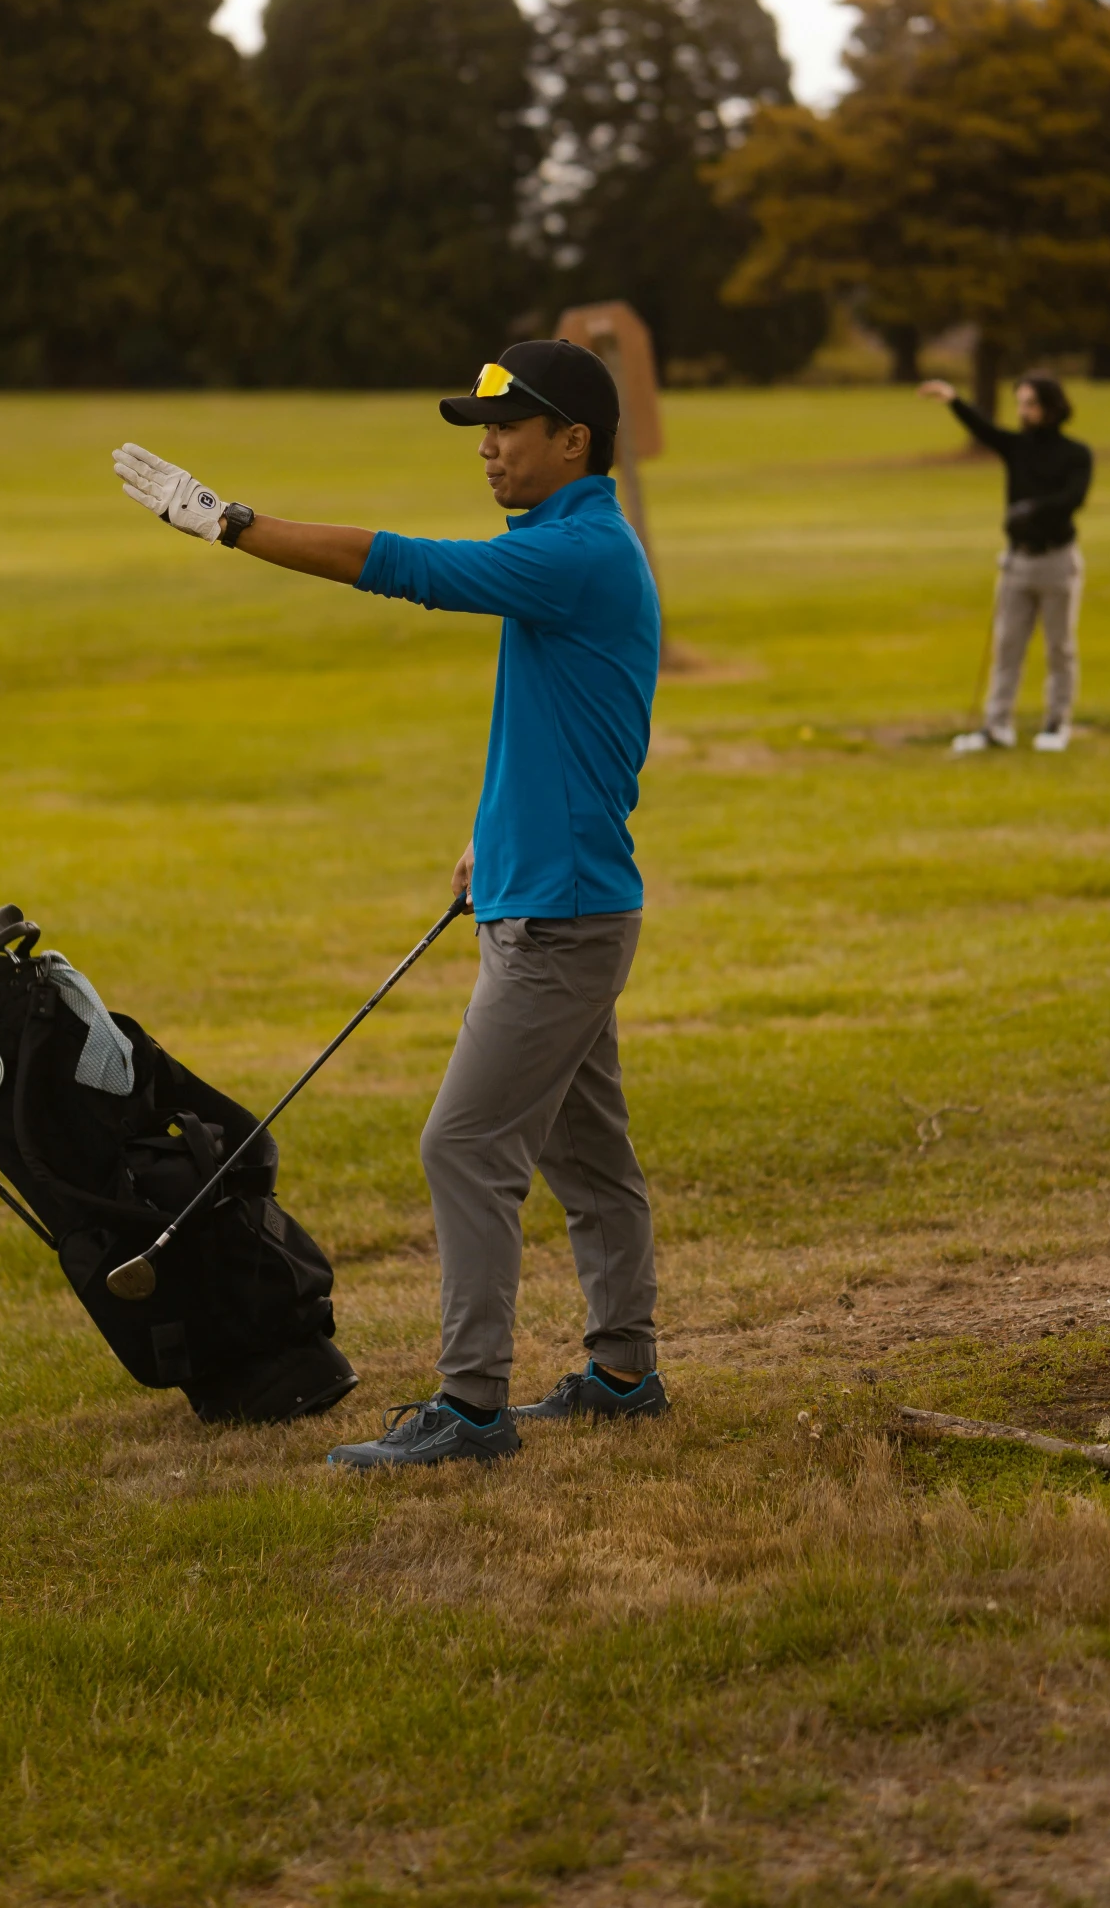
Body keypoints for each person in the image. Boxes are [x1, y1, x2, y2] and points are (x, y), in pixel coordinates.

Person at [111, 340, 668, 1469]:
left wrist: (233, 524)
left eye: (509, 428)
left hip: (558, 922)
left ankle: (470, 1406)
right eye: (480, 428)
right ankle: (622, 1374)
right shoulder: (569, 548)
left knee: (462, 1147)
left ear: (575, 442)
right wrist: (492, 838)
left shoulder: (580, 551)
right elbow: (550, 733)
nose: (488, 447)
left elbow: (403, 565)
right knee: (592, 1164)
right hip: (554, 895)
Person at [919, 372, 1093, 754]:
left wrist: (1033, 510)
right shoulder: (1017, 448)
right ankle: (997, 725)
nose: (1024, 411)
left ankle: (1056, 723)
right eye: (1020, 403)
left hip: (1057, 560)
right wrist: (953, 399)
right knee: (1007, 645)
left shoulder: (1076, 454)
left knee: (1059, 647)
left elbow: (1073, 498)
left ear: (1050, 407)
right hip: (1017, 561)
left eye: (1031, 403)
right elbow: (984, 429)